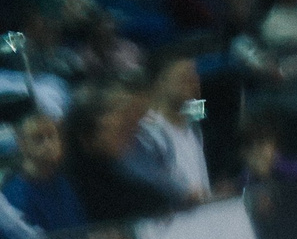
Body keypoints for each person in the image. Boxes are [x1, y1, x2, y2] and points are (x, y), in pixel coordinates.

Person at [64, 86, 183, 223]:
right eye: (122, 130)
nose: (132, 133)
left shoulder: (118, 173)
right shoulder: (70, 187)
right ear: (87, 137)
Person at [126, 47, 211, 205]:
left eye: (194, 74)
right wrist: (186, 194)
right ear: (160, 83)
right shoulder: (144, 131)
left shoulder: (196, 120)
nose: (194, 81)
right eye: (184, 77)